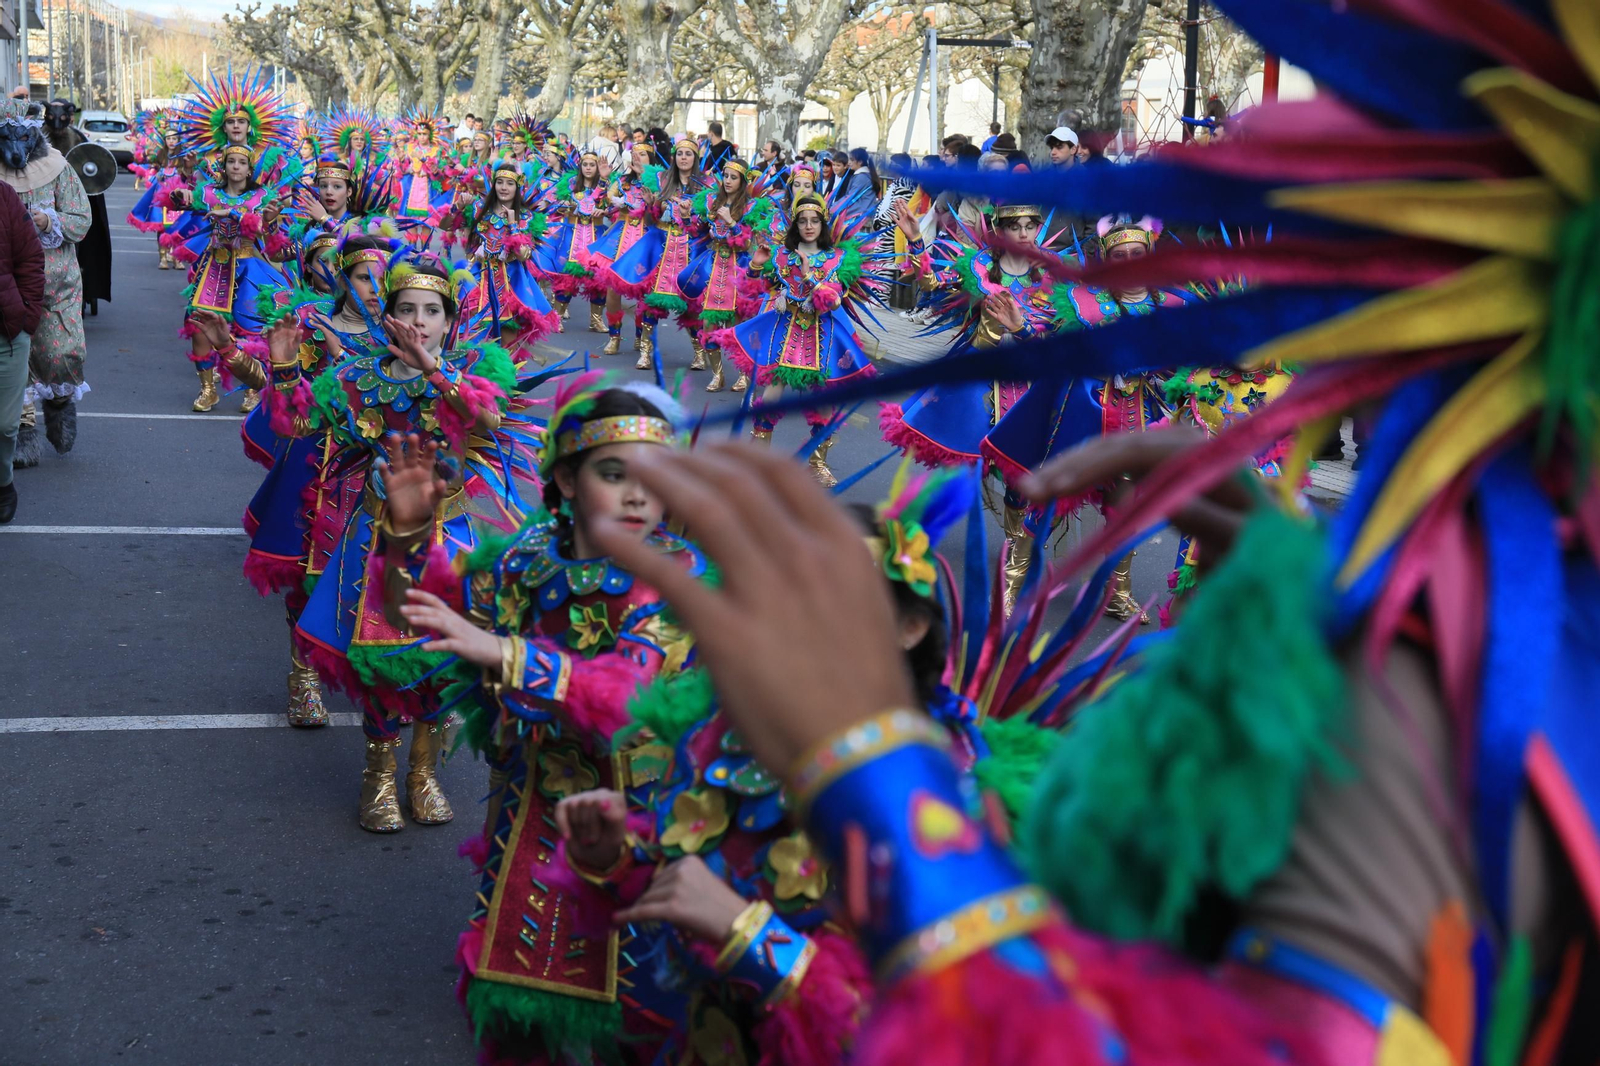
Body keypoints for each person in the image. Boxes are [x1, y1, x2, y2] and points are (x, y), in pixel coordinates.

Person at [718, 194, 883, 485]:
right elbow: (755, 288)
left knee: (823, 406)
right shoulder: (783, 256)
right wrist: (757, 266)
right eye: (803, 221)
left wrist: (809, 277)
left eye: (814, 221)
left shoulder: (839, 258)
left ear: (823, 224)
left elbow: (831, 301)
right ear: (796, 224)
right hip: (786, 334)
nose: (809, 226)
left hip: (822, 338)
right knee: (769, 399)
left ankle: (817, 464)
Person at [0, 97, 90, 466]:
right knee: (12, 362)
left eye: (22, 139)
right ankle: (21, 435)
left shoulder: (58, 167)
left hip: (57, 284)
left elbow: (80, 220)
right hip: (8, 285)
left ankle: (59, 402)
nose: (15, 149)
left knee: (61, 355)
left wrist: (48, 222)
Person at [41, 98, 112, 318]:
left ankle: (82, 287)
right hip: (45, 197)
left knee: (82, 244)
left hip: (75, 199)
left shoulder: (78, 138)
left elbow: (93, 167)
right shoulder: (38, 137)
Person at [0, 178, 44, 523]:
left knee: (4, 424)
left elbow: (30, 257)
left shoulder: (4, 196)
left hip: (7, 331)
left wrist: (25, 315)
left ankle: (3, 484)